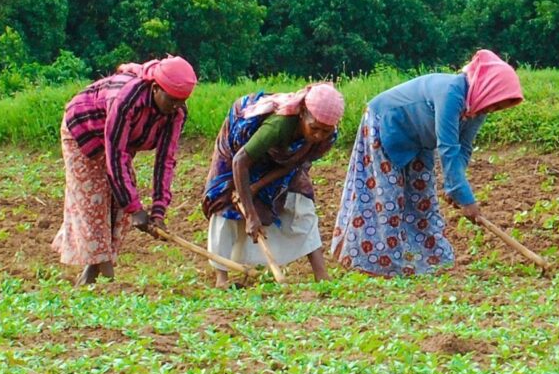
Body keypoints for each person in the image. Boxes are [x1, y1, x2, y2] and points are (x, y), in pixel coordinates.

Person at [333, 49, 523, 277]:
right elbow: (448, 147)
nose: (492, 110)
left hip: (419, 141)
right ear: (488, 87)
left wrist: (455, 188)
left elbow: (464, 149)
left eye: (498, 107)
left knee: (422, 199)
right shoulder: (452, 92)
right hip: (386, 125)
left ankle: (431, 262)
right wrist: (464, 197)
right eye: (495, 104)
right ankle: (375, 264)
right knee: (388, 198)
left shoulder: (477, 108)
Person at [53, 55, 197, 284]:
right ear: (155, 88)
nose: (175, 107)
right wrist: (136, 209)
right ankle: (107, 277)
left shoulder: (176, 112)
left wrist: (158, 211)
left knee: (120, 203)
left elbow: (165, 160)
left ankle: (92, 273)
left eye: (181, 102)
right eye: (171, 100)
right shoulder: (127, 99)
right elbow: (116, 157)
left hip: (119, 142)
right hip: (83, 131)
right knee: (94, 198)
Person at [200, 82, 346, 285]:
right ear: (303, 112)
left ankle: (321, 274)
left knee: (301, 203)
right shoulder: (279, 125)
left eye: (325, 131)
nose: (318, 136)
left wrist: (256, 186)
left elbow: (294, 163)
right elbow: (240, 161)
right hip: (240, 150)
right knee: (225, 203)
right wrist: (251, 215)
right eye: (314, 128)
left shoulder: (326, 138)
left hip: (281, 158)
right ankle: (221, 278)